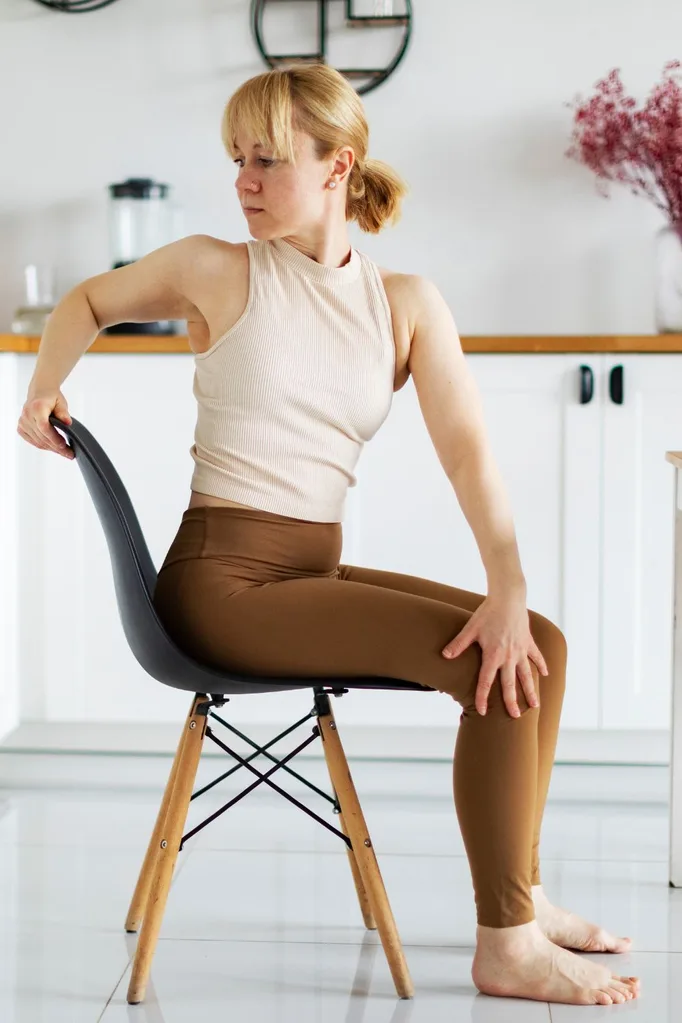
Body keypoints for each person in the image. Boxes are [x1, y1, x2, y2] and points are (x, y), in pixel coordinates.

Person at [17, 63, 640, 1007]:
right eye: (237, 160)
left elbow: (468, 453)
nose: (244, 181)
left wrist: (505, 581)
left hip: (307, 575)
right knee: (492, 665)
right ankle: (503, 940)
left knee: (534, 639)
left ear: (338, 164)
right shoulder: (214, 268)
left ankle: (526, 892)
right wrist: (41, 388)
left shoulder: (406, 304)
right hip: (221, 588)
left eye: (266, 159)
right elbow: (89, 303)